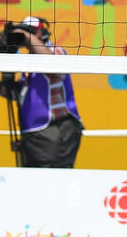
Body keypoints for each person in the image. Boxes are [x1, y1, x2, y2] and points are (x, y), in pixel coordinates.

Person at [6, 16, 84, 168]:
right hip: (34, 133)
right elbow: (22, 95)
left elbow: (51, 63)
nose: (27, 36)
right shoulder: (28, 62)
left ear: (42, 32)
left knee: (54, 180)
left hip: (56, 132)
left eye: (32, 31)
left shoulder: (56, 52)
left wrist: (27, 36)